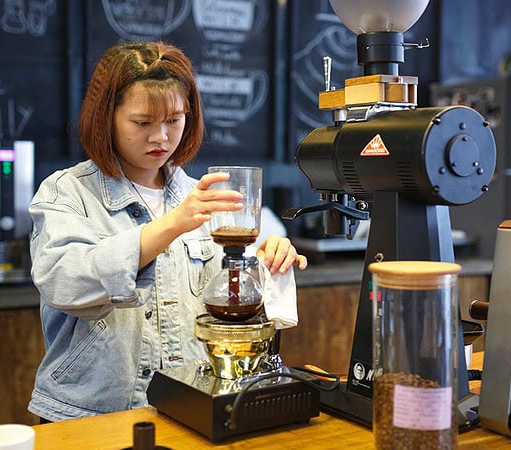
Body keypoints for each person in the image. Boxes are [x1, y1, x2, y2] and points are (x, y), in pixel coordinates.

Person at [27, 41, 308, 422]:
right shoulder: (68, 192)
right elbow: (62, 281)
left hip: (186, 404)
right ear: (106, 117)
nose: (161, 137)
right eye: (143, 122)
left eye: (175, 120)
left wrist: (267, 264)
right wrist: (171, 225)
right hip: (86, 413)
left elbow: (227, 302)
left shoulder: (203, 197)